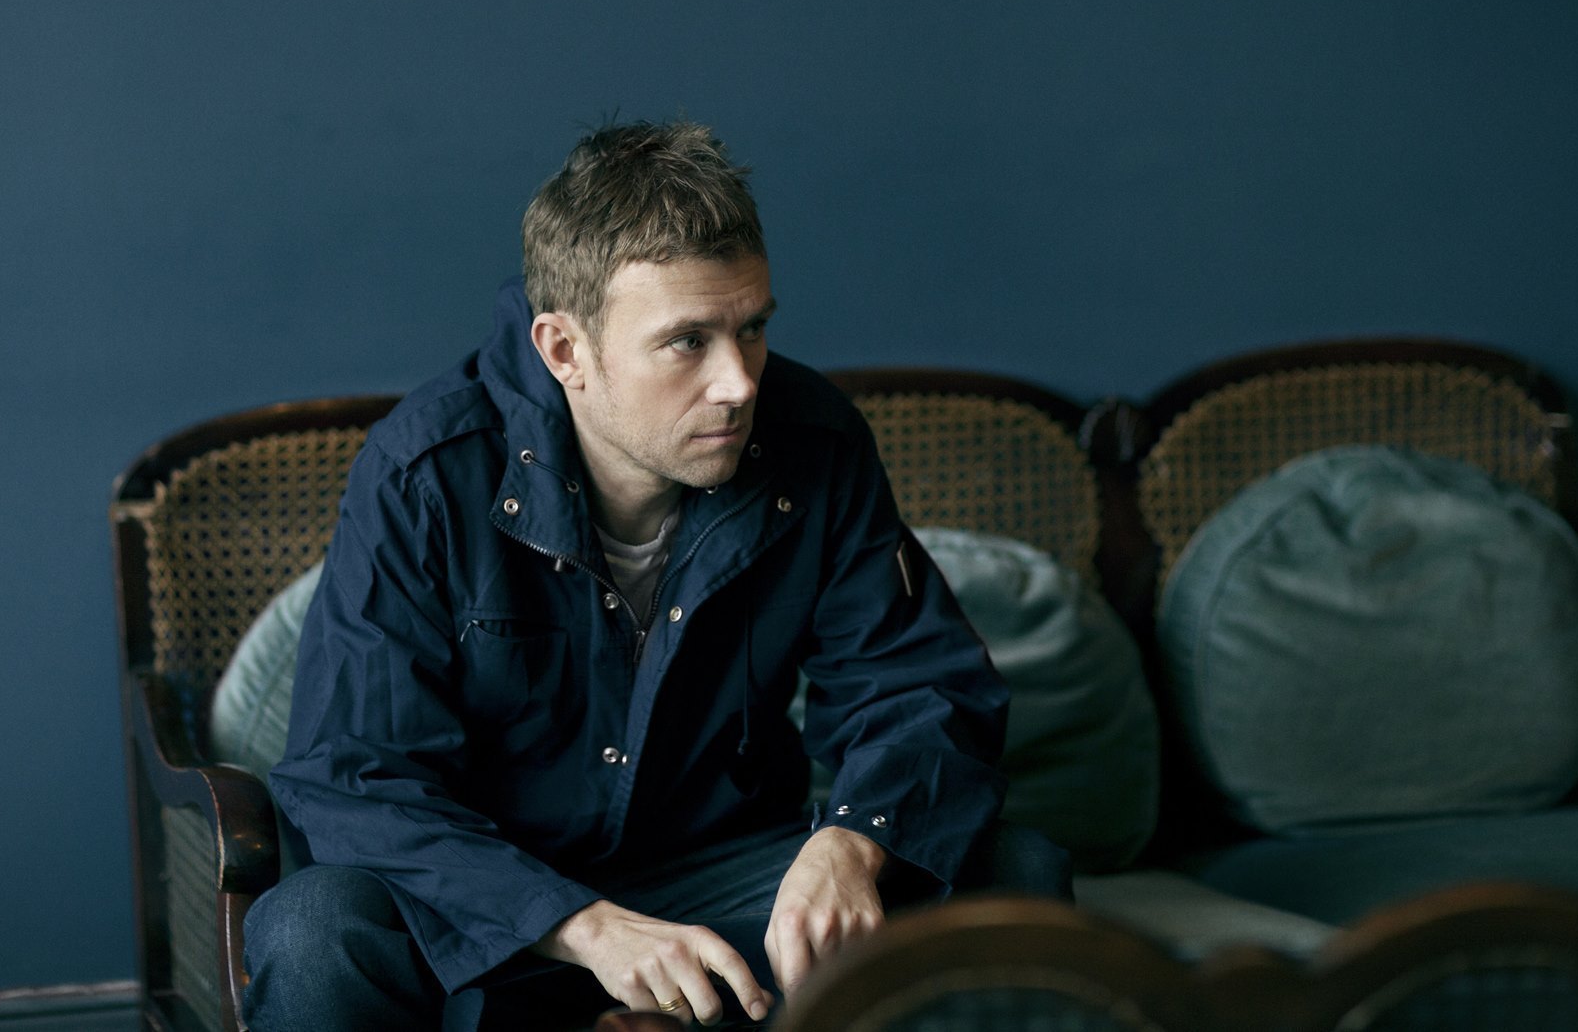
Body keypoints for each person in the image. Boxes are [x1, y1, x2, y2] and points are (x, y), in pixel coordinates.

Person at [245, 121, 1069, 1031]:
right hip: (487, 901)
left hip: (717, 879)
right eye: (687, 341)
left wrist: (853, 839)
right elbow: (354, 778)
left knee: (1012, 872)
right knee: (315, 930)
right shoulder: (426, 472)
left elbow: (920, 682)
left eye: (751, 328)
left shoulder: (814, 443)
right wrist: (581, 923)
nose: (739, 382)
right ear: (564, 350)